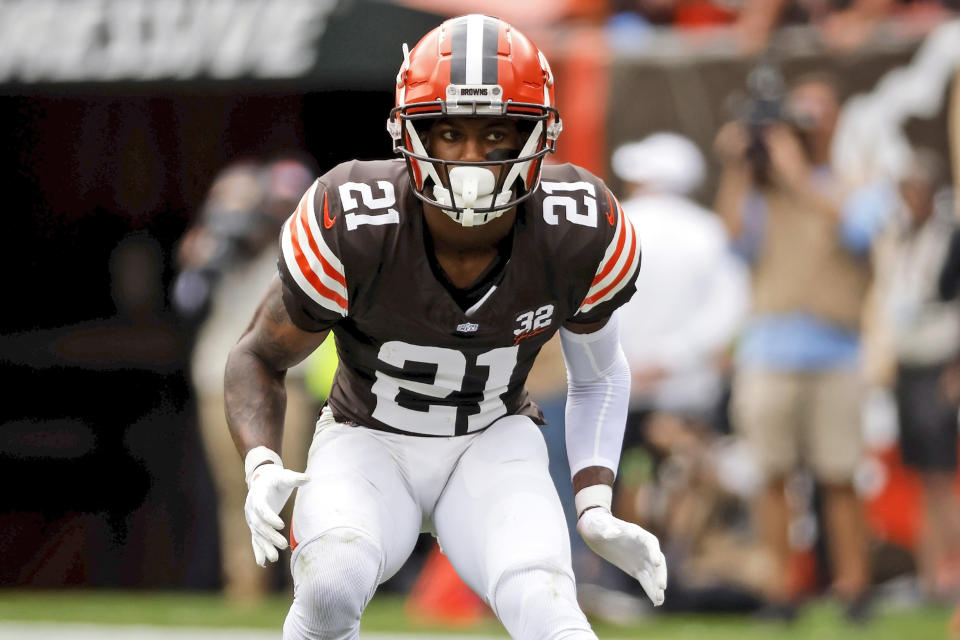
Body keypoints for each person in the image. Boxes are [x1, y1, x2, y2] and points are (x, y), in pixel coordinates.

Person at [223, 14, 667, 640]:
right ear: (408, 133)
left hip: (493, 440)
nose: (471, 158)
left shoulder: (579, 225)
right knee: (328, 585)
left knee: (546, 605)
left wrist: (594, 503)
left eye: (497, 134)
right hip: (367, 438)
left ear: (539, 135)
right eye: (449, 131)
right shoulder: (354, 218)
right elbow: (258, 356)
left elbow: (599, 373)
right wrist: (263, 465)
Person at [712, 73, 889, 623]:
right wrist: (739, 169)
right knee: (771, 477)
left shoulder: (857, 181)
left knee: (839, 475)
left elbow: (858, 232)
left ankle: (852, 586)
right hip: (769, 348)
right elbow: (732, 239)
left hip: (836, 349)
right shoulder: (763, 189)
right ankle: (781, 589)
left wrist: (796, 176)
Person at [172, 156, 323, 602]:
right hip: (218, 382)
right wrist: (203, 260)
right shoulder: (211, 247)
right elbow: (184, 303)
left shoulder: (289, 240)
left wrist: (259, 236)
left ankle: (311, 592)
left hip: (282, 382)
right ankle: (245, 594)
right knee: (236, 491)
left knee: (295, 488)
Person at [875, 147, 960, 602]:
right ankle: (932, 575)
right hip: (908, 361)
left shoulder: (950, 236)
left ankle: (952, 569)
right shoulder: (901, 236)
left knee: (943, 473)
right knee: (921, 474)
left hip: (939, 361)